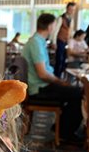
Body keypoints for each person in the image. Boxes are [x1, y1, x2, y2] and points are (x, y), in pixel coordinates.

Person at [22, 13, 84, 143]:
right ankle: (65, 133)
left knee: (75, 91)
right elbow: (42, 74)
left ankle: (61, 128)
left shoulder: (37, 41)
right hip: (39, 88)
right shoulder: (36, 43)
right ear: (50, 26)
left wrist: (60, 82)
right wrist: (60, 81)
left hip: (41, 85)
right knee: (78, 92)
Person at [53, 2, 76, 78]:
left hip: (67, 41)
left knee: (64, 61)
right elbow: (55, 31)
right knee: (59, 60)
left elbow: (71, 31)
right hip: (60, 41)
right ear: (67, 9)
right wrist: (54, 42)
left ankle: (62, 77)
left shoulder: (71, 19)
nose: (72, 11)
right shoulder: (60, 18)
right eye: (70, 9)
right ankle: (56, 77)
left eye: (73, 10)